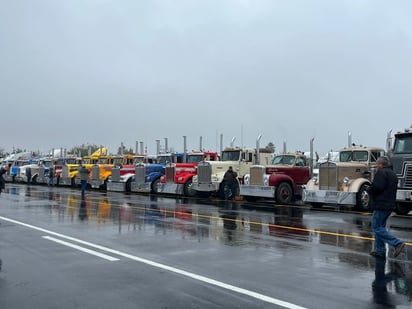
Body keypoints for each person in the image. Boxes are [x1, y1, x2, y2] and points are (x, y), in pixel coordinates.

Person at [368, 156, 405, 259]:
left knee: (376, 227)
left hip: (381, 204)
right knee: (381, 227)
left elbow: (377, 187)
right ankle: (380, 250)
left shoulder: (381, 173)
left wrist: (369, 189)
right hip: (389, 204)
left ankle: (397, 243)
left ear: (381, 164)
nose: (376, 166)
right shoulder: (393, 174)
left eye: (377, 164)